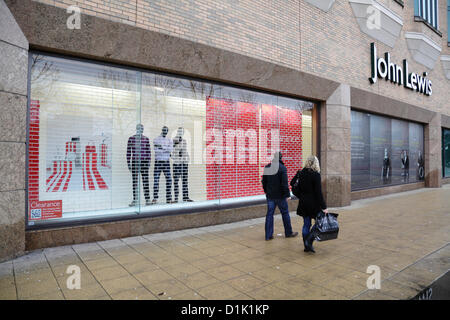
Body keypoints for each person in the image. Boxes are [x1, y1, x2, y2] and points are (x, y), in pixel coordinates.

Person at [291, 155, 328, 253]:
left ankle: (306, 246)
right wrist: (324, 207)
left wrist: (301, 196)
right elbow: (318, 193)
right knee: (319, 223)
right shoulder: (315, 175)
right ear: (316, 163)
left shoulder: (301, 173)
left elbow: (292, 183)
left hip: (303, 203)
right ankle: (309, 241)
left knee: (306, 224)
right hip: (314, 204)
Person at [261, 152, 298, 241]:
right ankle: (288, 232)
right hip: (280, 196)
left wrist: (267, 191)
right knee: (285, 213)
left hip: (270, 196)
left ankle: (268, 235)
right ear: (281, 158)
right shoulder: (282, 168)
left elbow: (264, 182)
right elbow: (284, 184)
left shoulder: (267, 167)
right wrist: (287, 195)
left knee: (269, 214)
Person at [127, 124, 151, 206]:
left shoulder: (146, 139)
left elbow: (148, 152)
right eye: (139, 128)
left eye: (142, 128)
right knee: (135, 181)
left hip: (144, 161)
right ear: (136, 129)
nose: (141, 130)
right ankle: (135, 200)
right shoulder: (131, 139)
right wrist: (128, 163)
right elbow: (128, 152)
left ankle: (147, 199)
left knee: (145, 181)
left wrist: (148, 162)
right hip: (135, 161)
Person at [152, 126, 174, 204]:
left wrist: (161, 147)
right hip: (158, 162)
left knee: (169, 180)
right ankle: (155, 198)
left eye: (167, 131)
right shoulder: (156, 139)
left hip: (166, 162)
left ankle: (168, 198)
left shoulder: (169, 140)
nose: (165, 132)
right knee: (156, 181)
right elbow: (156, 151)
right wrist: (166, 149)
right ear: (162, 130)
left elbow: (170, 150)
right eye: (164, 130)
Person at [172, 127, 193, 202]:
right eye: (180, 131)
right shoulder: (173, 140)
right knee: (176, 181)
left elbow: (185, 151)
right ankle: (176, 198)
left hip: (184, 163)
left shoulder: (184, 141)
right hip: (177, 163)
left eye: (182, 131)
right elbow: (172, 151)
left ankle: (185, 197)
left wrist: (187, 159)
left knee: (185, 181)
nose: (181, 133)